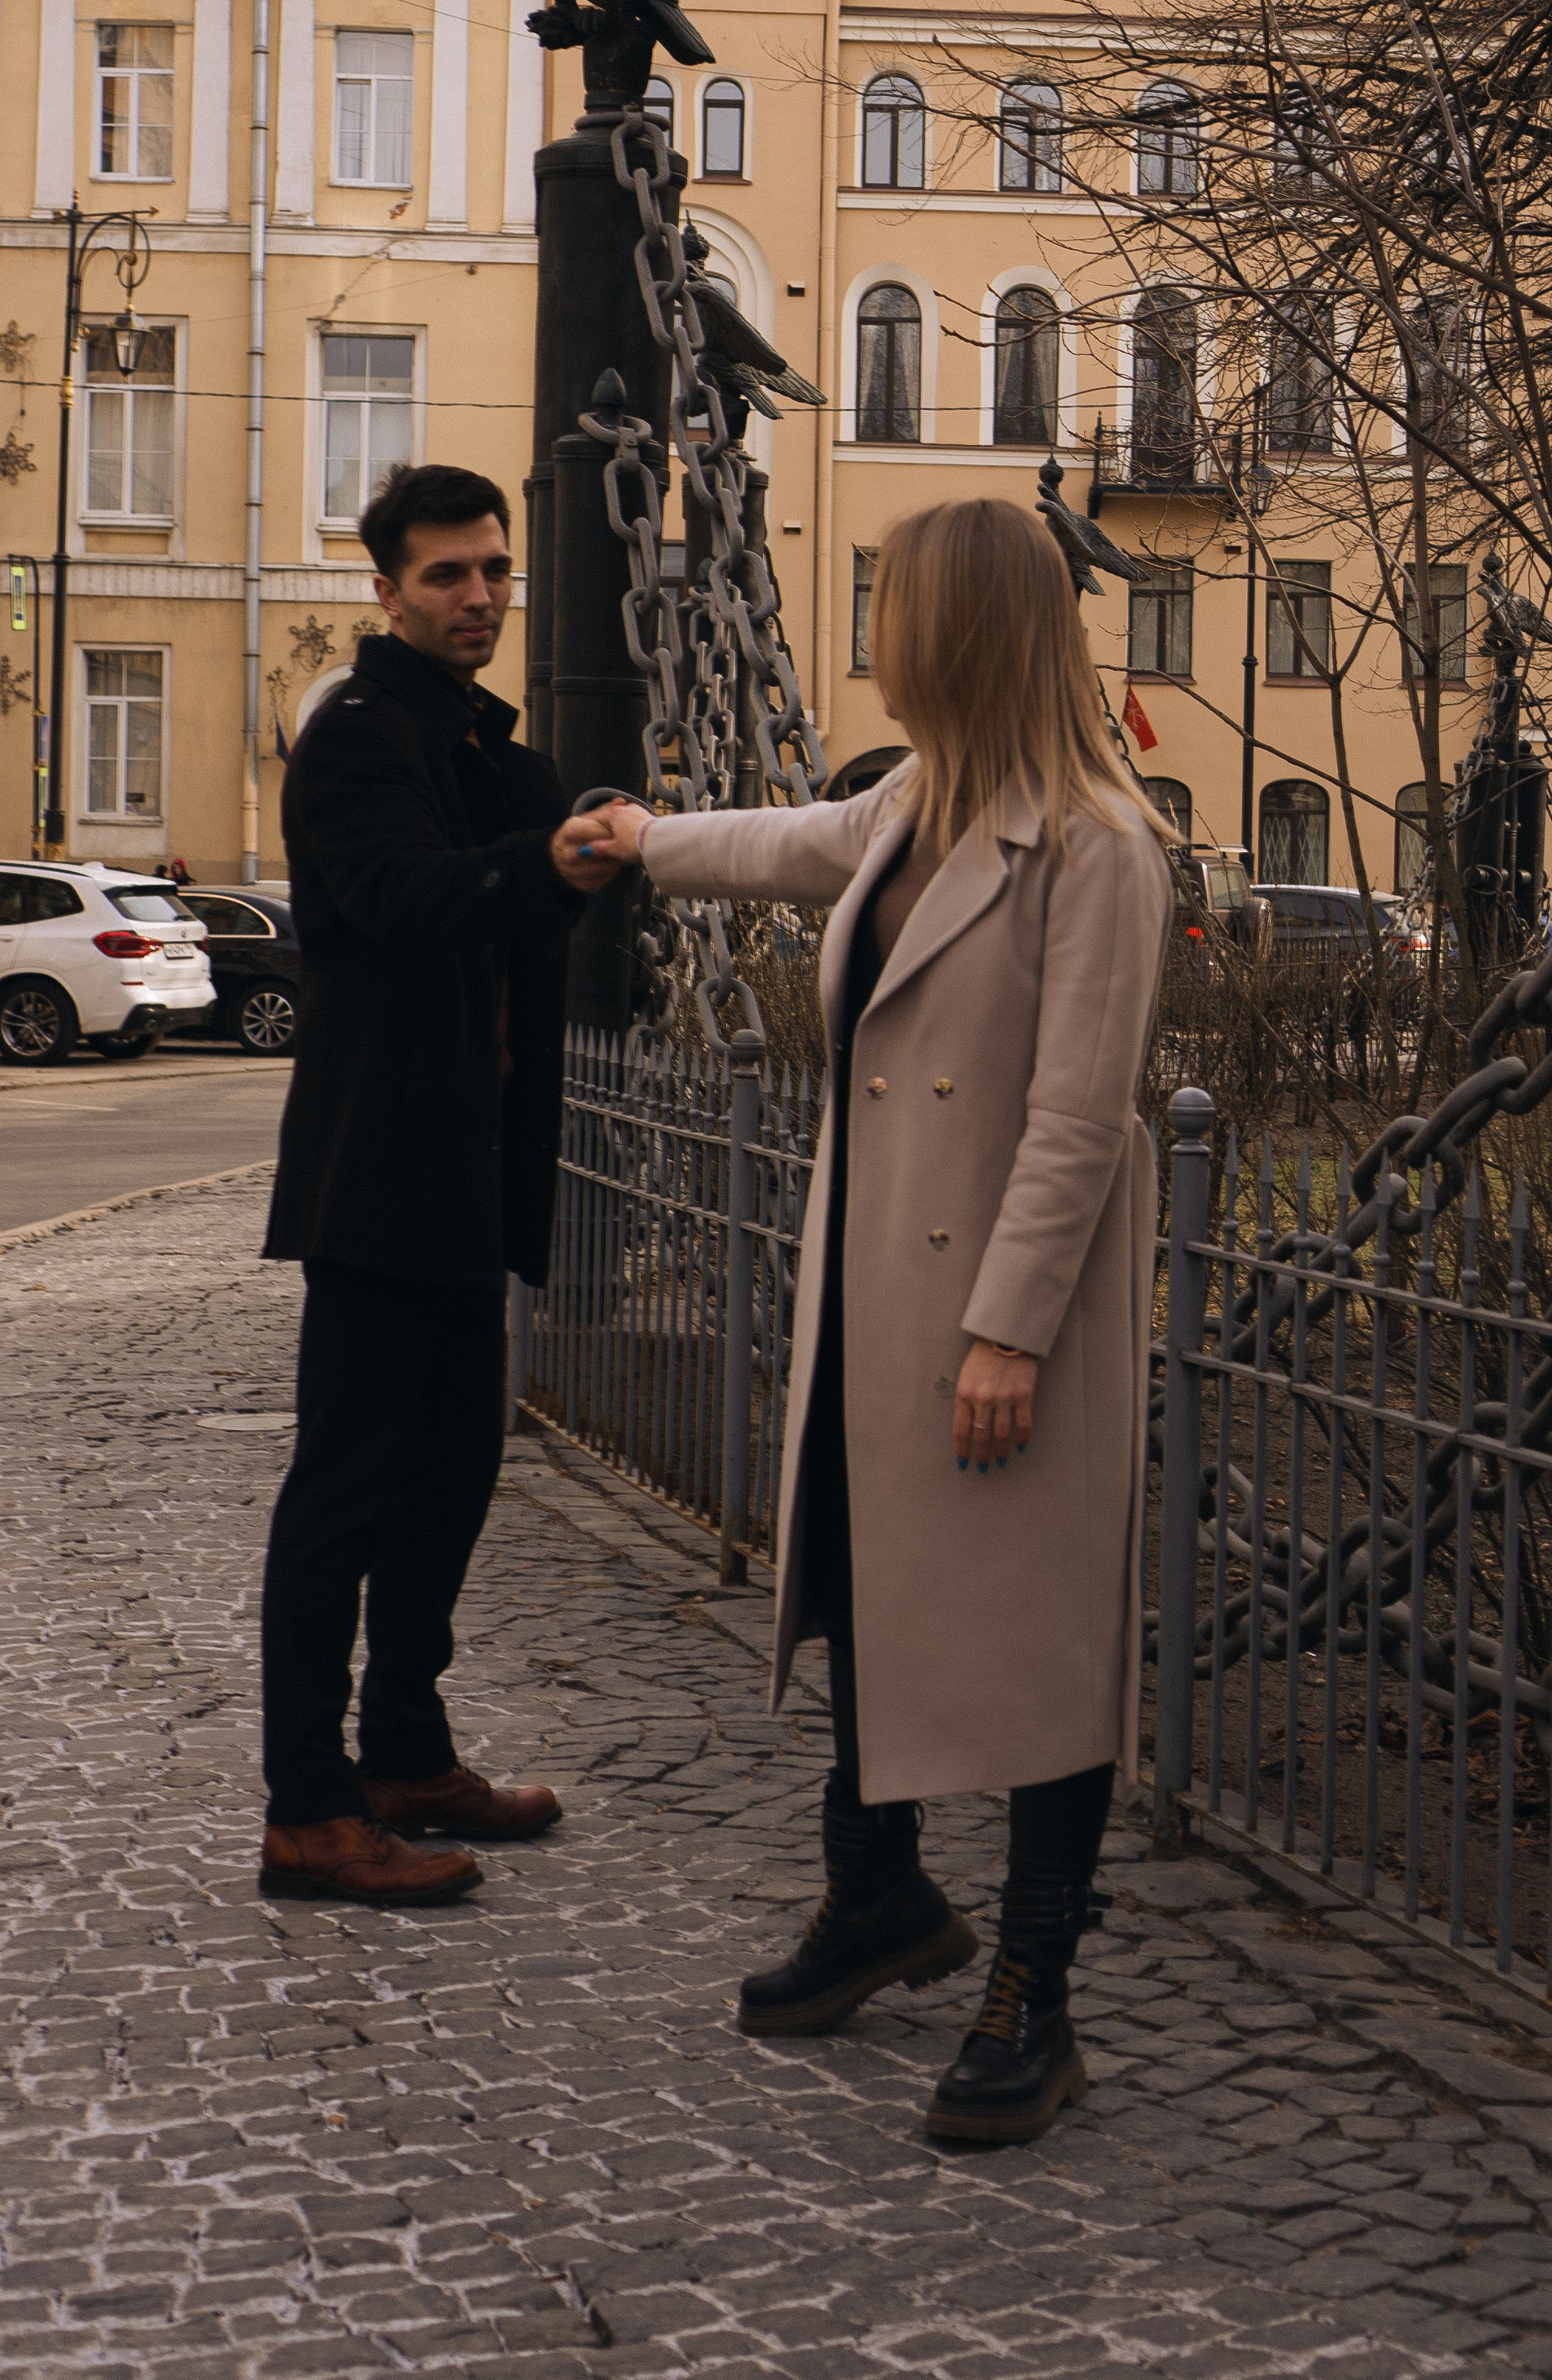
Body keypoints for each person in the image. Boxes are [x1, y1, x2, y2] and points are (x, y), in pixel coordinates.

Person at [583, 499, 1174, 2145]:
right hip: (874, 1289)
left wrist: (1010, 1332)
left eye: (892, 605)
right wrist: (642, 839)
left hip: (1004, 1313)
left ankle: (1034, 1992)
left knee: (1045, 1645)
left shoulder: (1097, 846)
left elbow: (1078, 1119)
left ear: (957, 629)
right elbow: (788, 845)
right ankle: (878, 1897)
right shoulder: (919, 800)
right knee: (858, 1582)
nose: (877, 634)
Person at [257, 462, 623, 1908]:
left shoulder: (492, 751)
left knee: (454, 1477)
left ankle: (405, 1753)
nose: (480, 597)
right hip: (378, 1178)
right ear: (388, 589)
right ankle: (307, 1809)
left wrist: (581, 842)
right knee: (341, 1499)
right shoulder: (356, 738)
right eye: (447, 575)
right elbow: (406, 900)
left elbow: (528, 910)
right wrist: (550, 858)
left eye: (494, 570)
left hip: (471, 1179)